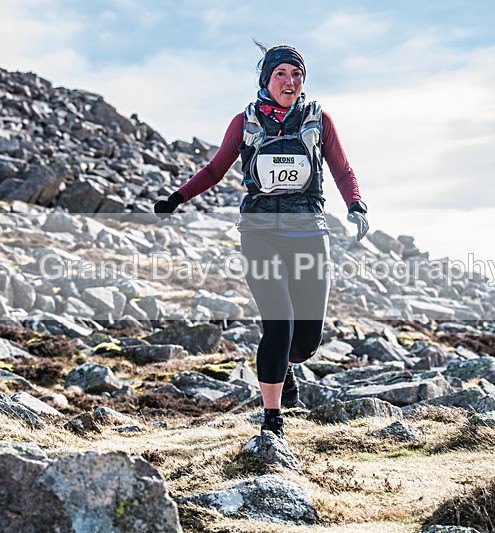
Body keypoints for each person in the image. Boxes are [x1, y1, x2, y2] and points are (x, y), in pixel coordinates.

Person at [154, 43, 368, 438]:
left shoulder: (319, 120)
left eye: (297, 74)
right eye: (281, 73)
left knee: (305, 343)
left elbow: (342, 169)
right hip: (259, 232)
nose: (290, 81)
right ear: (267, 80)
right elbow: (215, 169)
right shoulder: (245, 121)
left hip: (308, 232)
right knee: (279, 323)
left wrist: (355, 204)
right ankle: (272, 419)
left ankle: (287, 366)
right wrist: (177, 198)